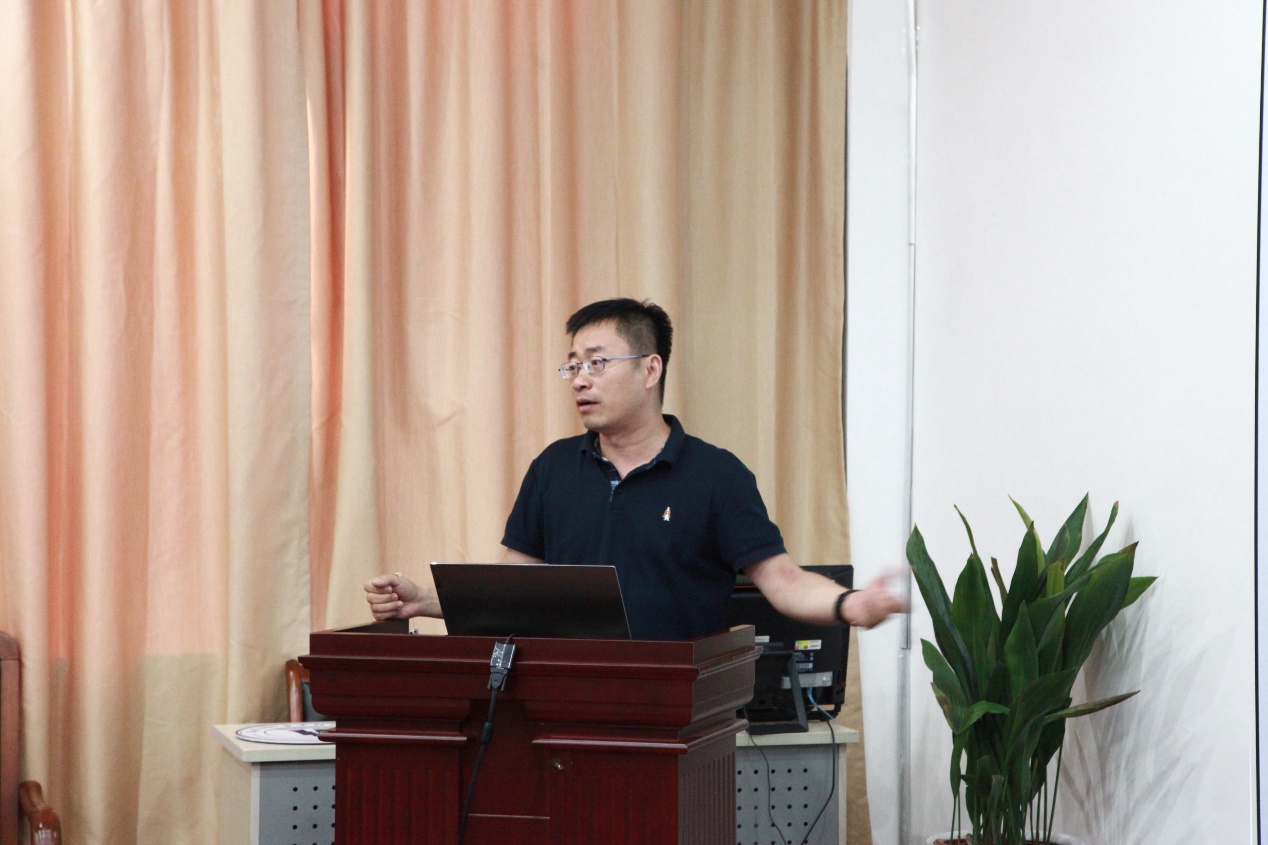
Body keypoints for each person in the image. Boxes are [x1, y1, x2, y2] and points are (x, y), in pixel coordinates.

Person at [365, 298, 904, 639]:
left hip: (674, 713)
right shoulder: (554, 468)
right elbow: (513, 589)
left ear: (650, 369)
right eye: (572, 366)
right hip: (560, 705)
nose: (580, 379)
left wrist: (850, 604)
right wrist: (424, 601)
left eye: (597, 363)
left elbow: (783, 582)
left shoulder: (716, 476)